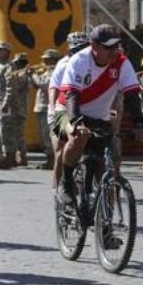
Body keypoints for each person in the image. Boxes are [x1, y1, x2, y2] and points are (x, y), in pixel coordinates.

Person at [55, 24, 143, 212]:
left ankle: (105, 228)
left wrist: (139, 121)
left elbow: (131, 95)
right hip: (67, 112)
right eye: (109, 47)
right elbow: (72, 95)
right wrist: (76, 122)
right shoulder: (79, 60)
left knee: (108, 170)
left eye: (117, 46)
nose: (114, 51)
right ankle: (66, 181)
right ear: (94, 46)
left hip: (99, 118)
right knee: (79, 135)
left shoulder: (122, 63)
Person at [48, 31, 90, 187]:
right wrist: (53, 111)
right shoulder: (64, 64)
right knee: (60, 151)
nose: (79, 52)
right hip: (61, 110)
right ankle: (57, 190)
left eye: (84, 48)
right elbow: (53, 89)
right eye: (76, 49)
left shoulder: (90, 63)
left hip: (82, 110)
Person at [29, 49, 59, 169]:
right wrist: (31, 76)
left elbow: (43, 84)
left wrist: (33, 74)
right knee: (43, 135)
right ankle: (49, 159)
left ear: (53, 59)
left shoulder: (55, 71)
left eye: (47, 59)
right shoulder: (47, 71)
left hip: (48, 107)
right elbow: (36, 86)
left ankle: (52, 160)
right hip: (41, 106)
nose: (44, 61)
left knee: (48, 135)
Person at [7, 53, 31, 167]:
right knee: (16, 133)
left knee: (18, 134)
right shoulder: (22, 74)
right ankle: (20, 155)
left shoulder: (22, 75)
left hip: (19, 107)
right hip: (18, 106)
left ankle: (22, 156)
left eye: (16, 63)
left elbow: (16, 88)